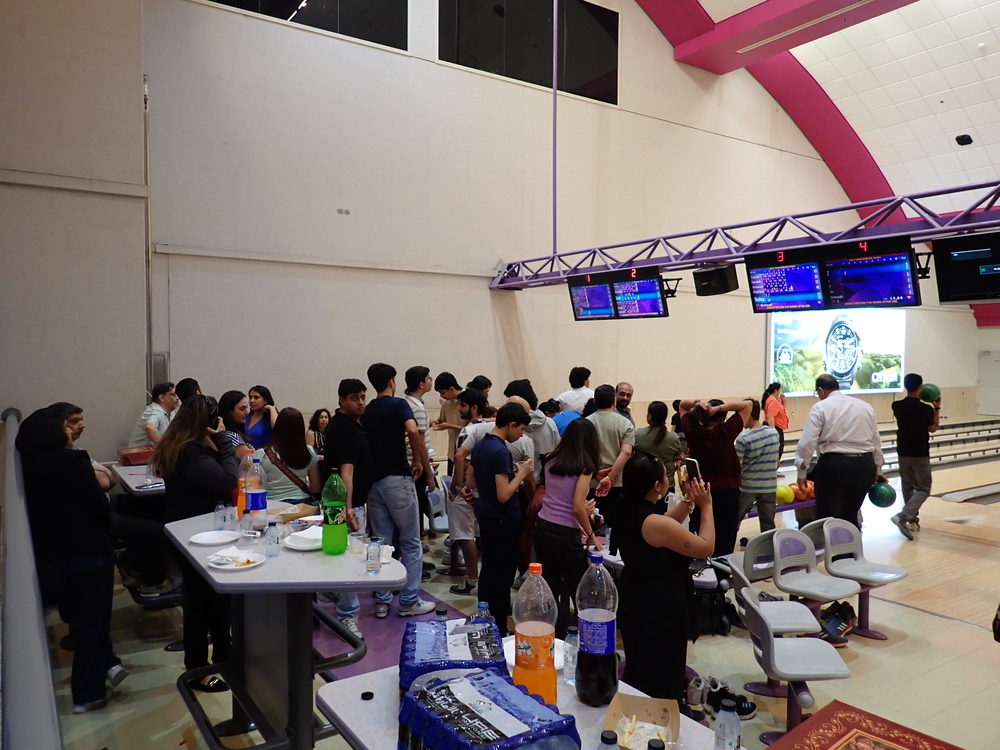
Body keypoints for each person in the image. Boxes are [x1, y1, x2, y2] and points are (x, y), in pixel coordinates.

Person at [17, 408, 128, 713]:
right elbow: (97, 503)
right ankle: (88, 693)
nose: (74, 429)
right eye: (68, 425)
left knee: (81, 619)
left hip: (50, 553)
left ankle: (108, 664)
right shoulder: (73, 461)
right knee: (94, 620)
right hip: (89, 551)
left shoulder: (26, 464)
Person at [151, 395, 237, 693]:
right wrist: (224, 441)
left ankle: (223, 659)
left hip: (196, 531)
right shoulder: (190, 451)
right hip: (196, 535)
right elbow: (227, 479)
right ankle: (198, 670)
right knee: (202, 604)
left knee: (215, 601)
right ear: (208, 421)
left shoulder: (181, 445)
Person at [616, 452, 714, 705]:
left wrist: (688, 500)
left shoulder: (630, 509)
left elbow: (666, 526)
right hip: (659, 606)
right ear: (658, 486)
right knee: (662, 672)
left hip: (635, 597)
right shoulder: (654, 523)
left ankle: (637, 714)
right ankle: (660, 718)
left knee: (641, 666)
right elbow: (706, 546)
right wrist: (706, 506)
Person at [361, 363, 435, 618]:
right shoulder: (398, 404)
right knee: (411, 542)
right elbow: (413, 430)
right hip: (397, 479)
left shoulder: (367, 409)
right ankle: (409, 601)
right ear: (392, 381)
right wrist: (418, 460)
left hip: (374, 482)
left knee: (382, 543)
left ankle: (382, 601)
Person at [468, 402, 533, 636]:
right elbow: (504, 494)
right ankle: (500, 627)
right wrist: (522, 475)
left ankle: (485, 619)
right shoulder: (501, 451)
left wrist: (508, 477)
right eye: (521, 429)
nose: (521, 435)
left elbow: (471, 482)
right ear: (511, 424)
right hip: (504, 520)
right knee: (503, 577)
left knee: (488, 570)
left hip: (486, 515)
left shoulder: (480, 444)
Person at [533, 418, 603, 637]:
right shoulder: (584, 468)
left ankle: (553, 638)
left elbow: (559, 495)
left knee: (549, 591)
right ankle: (588, 640)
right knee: (582, 591)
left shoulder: (551, 460)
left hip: (542, 526)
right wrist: (591, 535)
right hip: (564, 534)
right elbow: (576, 507)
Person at [794, 374, 886, 527]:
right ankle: (853, 542)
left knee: (829, 518)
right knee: (850, 515)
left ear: (821, 390)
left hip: (834, 467)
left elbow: (808, 442)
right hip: (864, 467)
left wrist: (802, 472)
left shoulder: (820, 407)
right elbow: (875, 441)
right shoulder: (865, 406)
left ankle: (834, 543)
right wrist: (878, 470)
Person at [323, 379, 376, 639]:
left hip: (347, 504)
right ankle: (347, 615)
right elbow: (347, 472)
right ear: (342, 400)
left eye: (363, 397)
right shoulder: (345, 429)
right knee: (349, 558)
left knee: (342, 555)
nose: (361, 402)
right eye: (355, 398)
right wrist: (350, 510)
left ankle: (332, 593)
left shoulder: (350, 424)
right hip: (346, 505)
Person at [678, 397, 752, 557]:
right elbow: (748, 404)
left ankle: (703, 567)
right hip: (727, 494)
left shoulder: (693, 431)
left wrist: (698, 404)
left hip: (701, 492)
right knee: (725, 538)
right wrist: (718, 409)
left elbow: (682, 405)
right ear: (723, 418)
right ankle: (721, 569)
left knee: (702, 534)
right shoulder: (726, 432)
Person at [446, 387, 490, 593]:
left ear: (474, 408)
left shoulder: (468, 431)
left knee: (465, 535)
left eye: (462, 406)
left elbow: (462, 461)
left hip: (467, 490)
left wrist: (456, 488)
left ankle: (473, 580)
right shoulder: (490, 428)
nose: (459, 409)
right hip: (486, 489)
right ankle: (484, 578)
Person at [890, 373, 940, 540]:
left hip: (903, 451)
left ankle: (912, 521)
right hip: (919, 452)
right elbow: (933, 428)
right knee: (924, 488)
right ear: (920, 387)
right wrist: (937, 408)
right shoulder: (925, 409)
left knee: (907, 486)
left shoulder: (896, 405)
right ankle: (903, 516)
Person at [587, 384, 636, 550]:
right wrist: (609, 477)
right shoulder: (625, 423)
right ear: (614, 401)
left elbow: (581, 454)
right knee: (615, 529)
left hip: (591, 483)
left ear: (595, 401)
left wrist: (596, 473)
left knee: (591, 527)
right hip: (618, 483)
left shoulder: (585, 423)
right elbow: (626, 452)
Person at [253, 407, 321, 504]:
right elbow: (315, 488)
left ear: (278, 427)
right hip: (302, 504)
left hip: (273, 504)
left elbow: (255, 487)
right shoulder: (309, 451)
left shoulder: (261, 454)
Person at [735, 400, 781, 533]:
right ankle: (768, 545)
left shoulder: (744, 438)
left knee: (734, 520)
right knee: (768, 524)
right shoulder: (774, 433)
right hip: (769, 486)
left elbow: (736, 466)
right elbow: (777, 462)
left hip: (747, 486)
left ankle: (727, 545)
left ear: (748, 415)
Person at [49, 401, 116, 490]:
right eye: (74, 421)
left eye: (81, 420)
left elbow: (110, 477)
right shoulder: (55, 455)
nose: (82, 425)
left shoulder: (74, 447)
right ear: (58, 426)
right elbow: (104, 482)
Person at [503, 379, 560, 481]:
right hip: (547, 480)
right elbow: (558, 452)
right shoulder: (550, 423)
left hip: (518, 482)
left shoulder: (511, 426)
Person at [404, 366, 437, 536]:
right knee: (419, 500)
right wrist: (429, 474)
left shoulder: (407, 402)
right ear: (421, 384)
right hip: (417, 464)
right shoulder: (417, 408)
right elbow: (421, 445)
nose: (431, 380)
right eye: (429, 378)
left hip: (410, 461)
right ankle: (417, 539)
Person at [633, 401, 682, 492]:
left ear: (649, 416)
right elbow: (678, 456)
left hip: (643, 484)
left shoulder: (638, 434)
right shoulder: (673, 438)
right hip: (667, 485)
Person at [432, 372, 466, 475]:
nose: (441, 396)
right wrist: (431, 422)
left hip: (467, 453)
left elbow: (475, 427)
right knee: (451, 480)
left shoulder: (469, 400)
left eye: (442, 392)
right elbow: (442, 420)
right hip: (452, 452)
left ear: (451, 389)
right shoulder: (446, 404)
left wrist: (450, 426)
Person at [128, 382, 180, 447]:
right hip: (140, 452)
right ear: (162, 398)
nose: (177, 398)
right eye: (173, 395)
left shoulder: (171, 413)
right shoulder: (154, 410)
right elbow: (150, 427)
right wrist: (165, 448)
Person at [218, 390, 253, 455]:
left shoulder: (237, 432)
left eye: (246, 408)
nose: (247, 412)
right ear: (230, 412)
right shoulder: (232, 437)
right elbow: (251, 459)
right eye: (242, 409)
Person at [762, 382, 789, 461]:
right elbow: (770, 416)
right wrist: (773, 432)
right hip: (774, 427)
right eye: (779, 390)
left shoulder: (774, 400)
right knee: (777, 448)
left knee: (779, 448)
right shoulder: (772, 400)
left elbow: (782, 411)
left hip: (777, 427)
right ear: (776, 390)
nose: (780, 392)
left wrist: (783, 401)